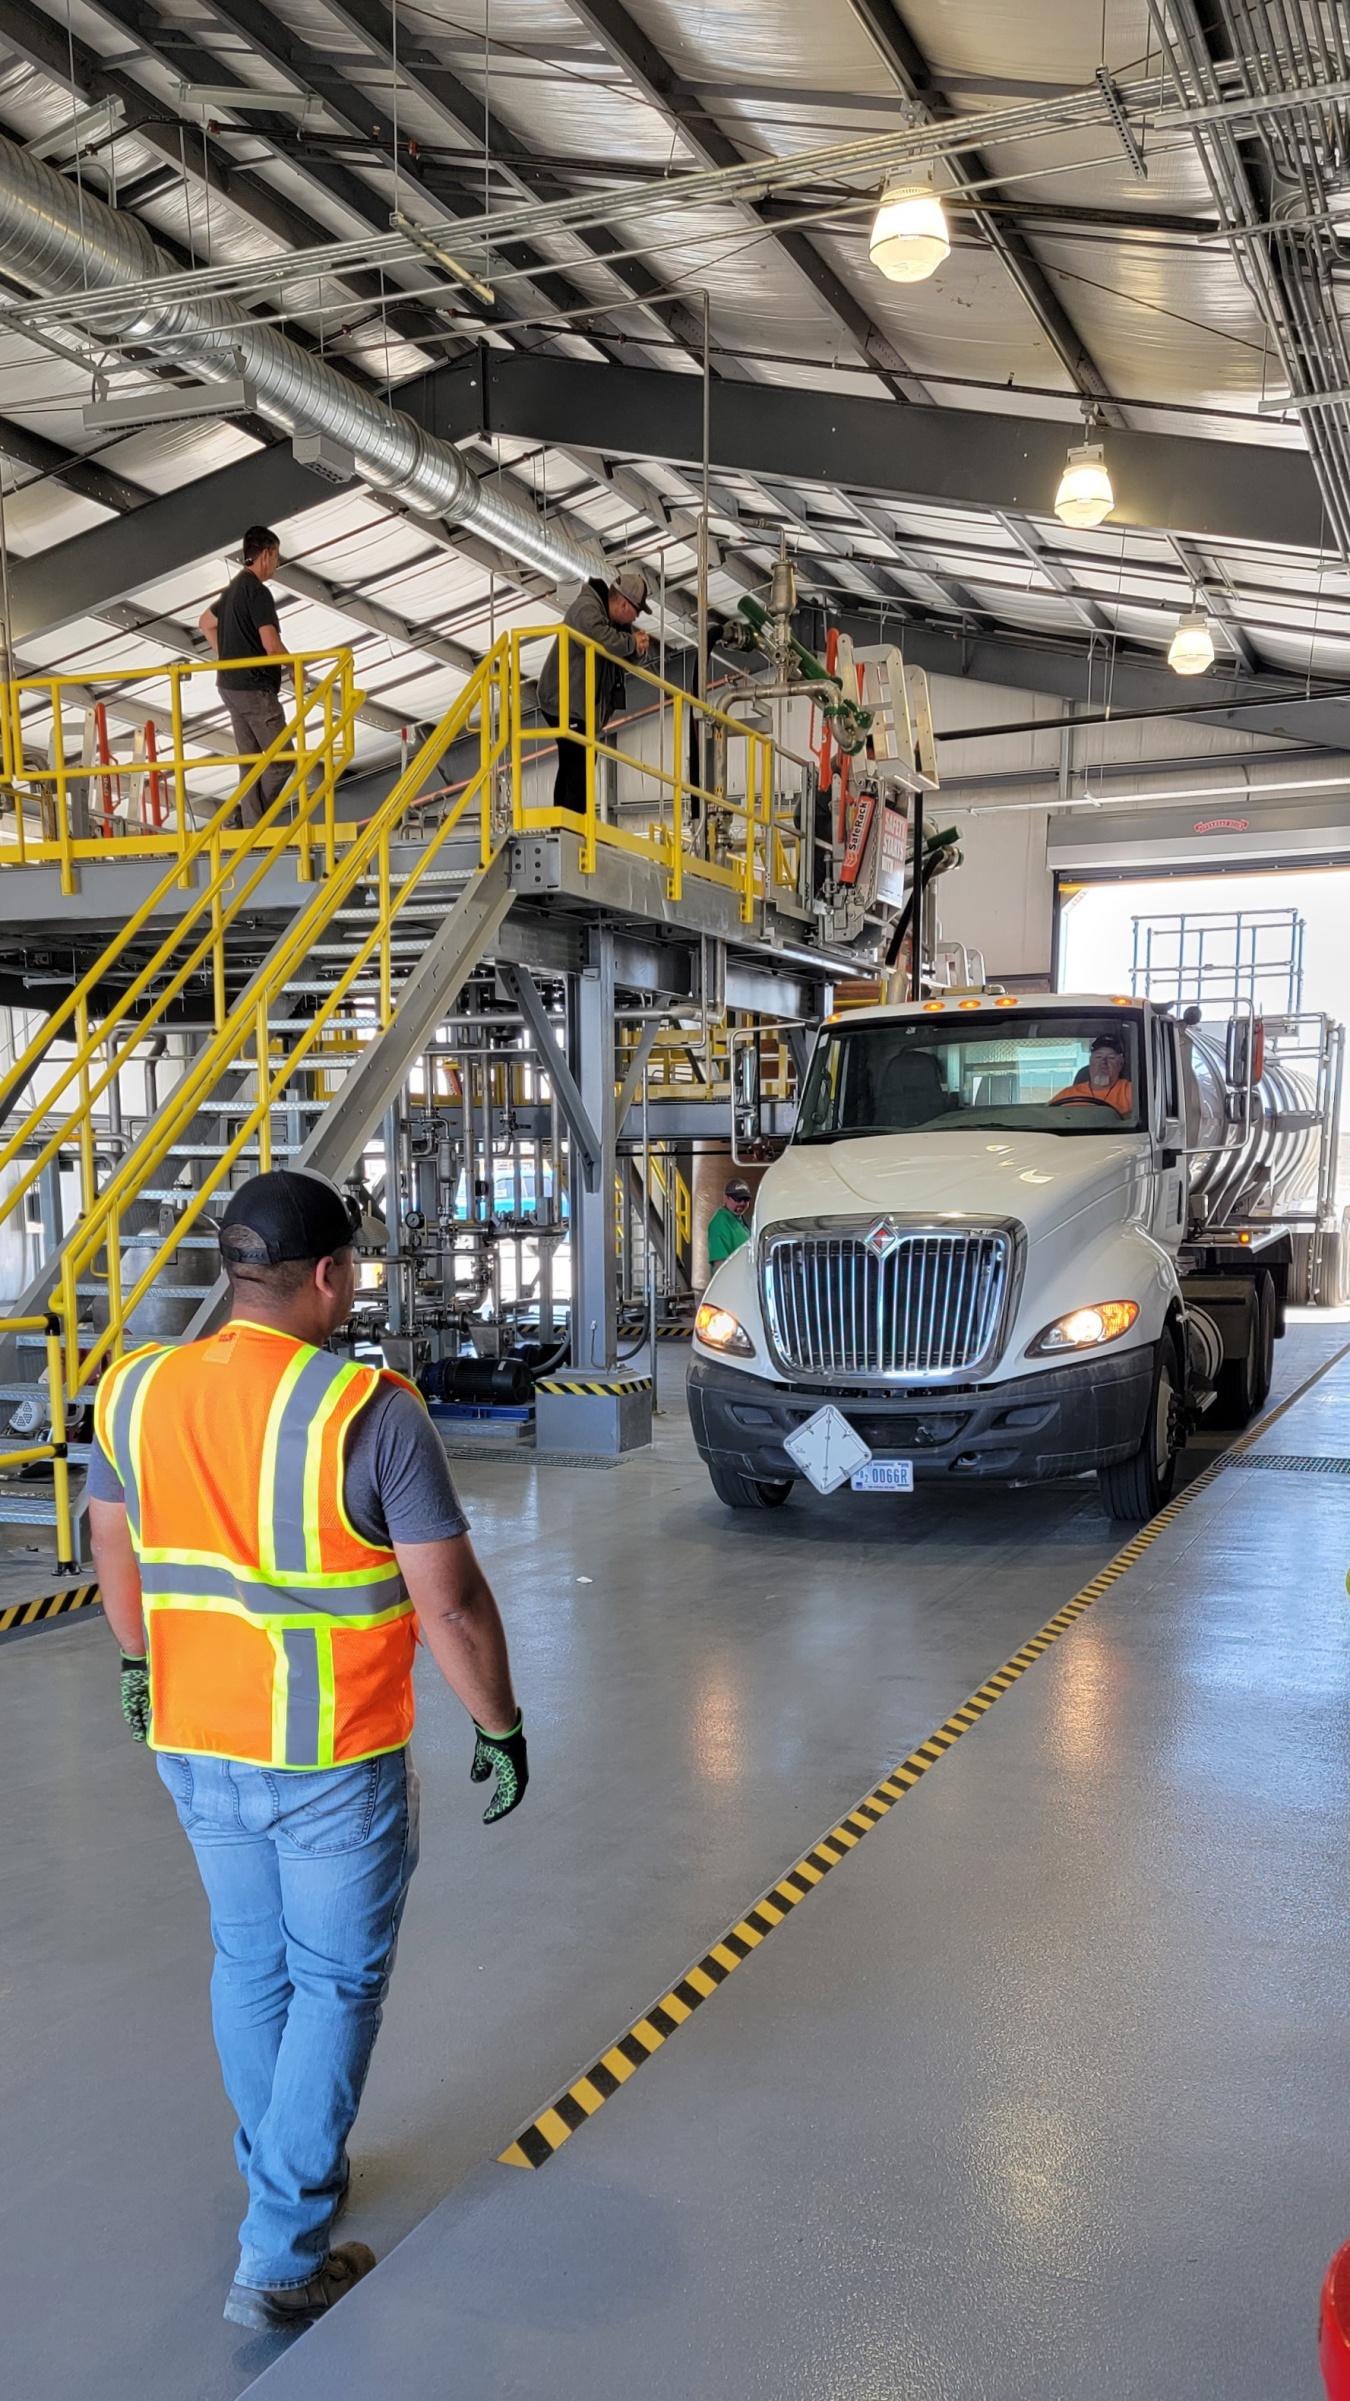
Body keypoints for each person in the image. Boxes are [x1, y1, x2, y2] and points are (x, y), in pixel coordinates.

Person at [87, 1169, 527, 2335]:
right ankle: (282, 2254)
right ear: (330, 1276)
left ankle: (284, 2168)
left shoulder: (134, 1392)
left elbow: (112, 1550)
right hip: (331, 1757)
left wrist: (140, 1665)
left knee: (249, 1966)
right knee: (332, 1985)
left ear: (239, 1273)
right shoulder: (369, 1410)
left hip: (194, 1741)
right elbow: (455, 1607)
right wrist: (501, 1726)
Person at [537, 566, 651, 814]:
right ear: (623, 604)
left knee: (575, 761)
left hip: (579, 707)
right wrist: (633, 642)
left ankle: (567, 825)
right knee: (578, 762)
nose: (636, 618)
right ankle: (572, 828)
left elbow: (623, 648)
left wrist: (637, 648)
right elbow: (602, 638)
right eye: (637, 610)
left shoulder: (610, 620)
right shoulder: (586, 610)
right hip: (564, 701)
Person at [199, 527, 291, 826]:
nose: (277, 563)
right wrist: (295, 667)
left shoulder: (233, 589)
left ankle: (246, 826)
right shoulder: (257, 593)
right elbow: (271, 645)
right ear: (266, 555)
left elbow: (205, 623)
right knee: (283, 759)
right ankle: (242, 819)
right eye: (276, 556)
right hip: (253, 689)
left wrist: (227, 657)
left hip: (229, 687)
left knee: (250, 764)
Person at [1050, 1032, 1134, 1117]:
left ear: (1120, 1063)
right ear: (1090, 1062)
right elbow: (1047, 1117)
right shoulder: (1068, 1094)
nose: (1103, 1062)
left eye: (1110, 1058)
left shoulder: (1130, 1091)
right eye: (1098, 1057)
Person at [707, 1178, 754, 1266]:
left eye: (745, 1199)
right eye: (738, 1199)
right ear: (726, 1198)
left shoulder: (738, 1220)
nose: (742, 1203)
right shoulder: (719, 1223)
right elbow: (719, 1265)